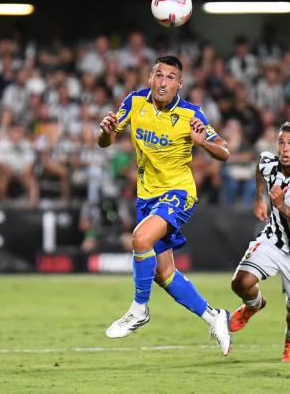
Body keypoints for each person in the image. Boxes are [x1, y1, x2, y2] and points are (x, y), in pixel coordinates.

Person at [98, 55, 232, 355]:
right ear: (150, 78)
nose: (163, 82)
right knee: (163, 273)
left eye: (171, 77)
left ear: (179, 84)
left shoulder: (190, 113)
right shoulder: (134, 102)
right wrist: (106, 133)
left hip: (178, 193)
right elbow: (103, 141)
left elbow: (223, 151)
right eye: (159, 75)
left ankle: (139, 309)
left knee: (140, 238)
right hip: (147, 196)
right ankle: (214, 316)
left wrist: (203, 142)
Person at [230, 121, 290, 362]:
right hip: (275, 238)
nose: (284, 148)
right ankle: (253, 304)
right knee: (240, 283)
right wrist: (259, 199)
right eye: (281, 142)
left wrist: (280, 205)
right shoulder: (269, 163)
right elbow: (259, 167)